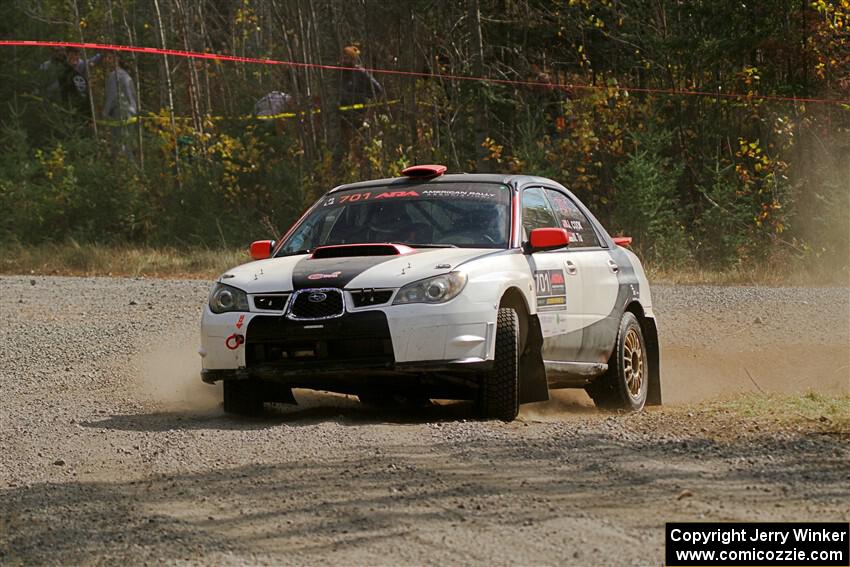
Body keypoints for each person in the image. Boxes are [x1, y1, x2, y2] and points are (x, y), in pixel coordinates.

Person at [102, 53, 138, 159]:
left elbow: (112, 96)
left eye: (109, 58)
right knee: (128, 144)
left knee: (120, 145)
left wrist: (105, 112)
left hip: (120, 112)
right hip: (130, 113)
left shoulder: (114, 75)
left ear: (116, 59)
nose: (107, 61)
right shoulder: (126, 75)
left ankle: (125, 171)